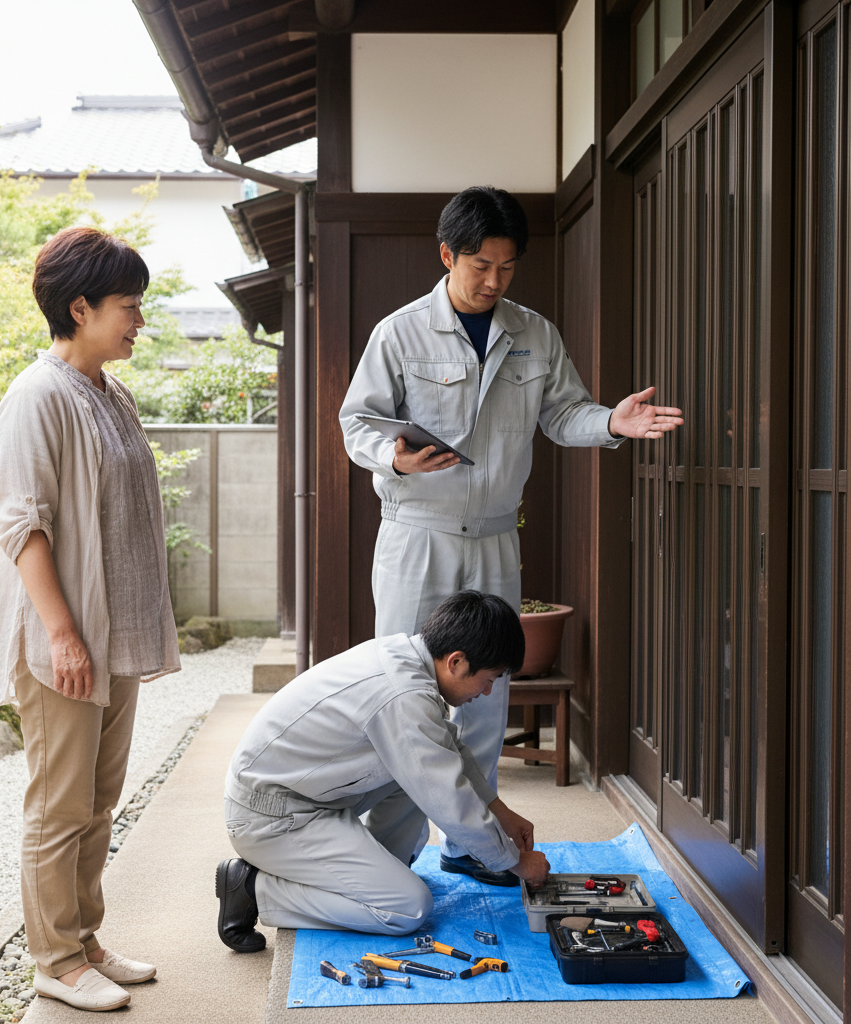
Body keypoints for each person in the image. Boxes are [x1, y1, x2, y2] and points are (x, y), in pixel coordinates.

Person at [339, 186, 683, 885]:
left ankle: (471, 846)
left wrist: (612, 424)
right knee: (406, 693)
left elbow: (565, 416)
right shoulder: (399, 332)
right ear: (447, 255)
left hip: (495, 540)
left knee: (486, 695)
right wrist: (394, 456)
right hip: (417, 535)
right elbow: (358, 423)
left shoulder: (535, 333)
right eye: (480, 266)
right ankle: (388, 853)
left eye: (507, 267)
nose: (494, 281)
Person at [0, 227, 181, 1011]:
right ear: (80, 307)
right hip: (65, 639)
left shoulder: (109, 389)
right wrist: (63, 634)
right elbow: (21, 525)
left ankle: (84, 938)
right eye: (129, 307)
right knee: (59, 802)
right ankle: (54, 958)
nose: (139, 320)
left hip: (115, 637)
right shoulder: (37, 396)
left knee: (99, 802)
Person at [215, 590, 551, 952]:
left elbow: (448, 752)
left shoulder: (406, 657)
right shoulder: (403, 695)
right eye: (489, 679)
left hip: (303, 795)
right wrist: (516, 863)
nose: (486, 692)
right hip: (270, 816)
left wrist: (501, 812)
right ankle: (252, 886)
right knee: (407, 908)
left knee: (420, 770)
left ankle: (378, 872)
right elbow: (449, 801)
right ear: (456, 661)